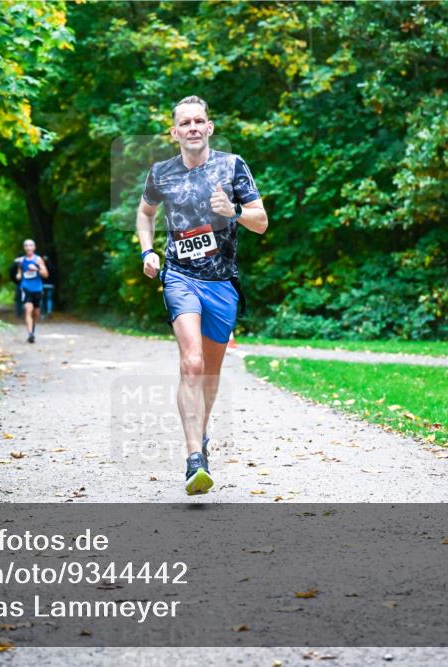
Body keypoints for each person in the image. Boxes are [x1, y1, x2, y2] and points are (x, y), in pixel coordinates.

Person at [136, 95, 268, 495]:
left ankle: (201, 434)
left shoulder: (232, 166)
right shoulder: (161, 173)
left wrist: (233, 211)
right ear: (174, 132)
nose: (193, 128)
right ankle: (195, 457)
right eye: (185, 123)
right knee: (191, 362)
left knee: (209, 371)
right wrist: (148, 250)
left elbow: (260, 223)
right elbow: (145, 213)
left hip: (222, 282)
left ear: (209, 127)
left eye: (199, 121)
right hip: (180, 276)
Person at [16, 239, 49, 343]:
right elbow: (19, 273)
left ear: (34, 248)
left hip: (37, 289)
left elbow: (46, 274)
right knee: (28, 309)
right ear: (24, 248)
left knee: (36, 312)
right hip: (26, 288)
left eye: (30, 246)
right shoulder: (21, 261)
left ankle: (32, 330)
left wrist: (36, 269)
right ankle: (30, 334)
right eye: (26, 246)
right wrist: (18, 275)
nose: (28, 248)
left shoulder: (38, 260)